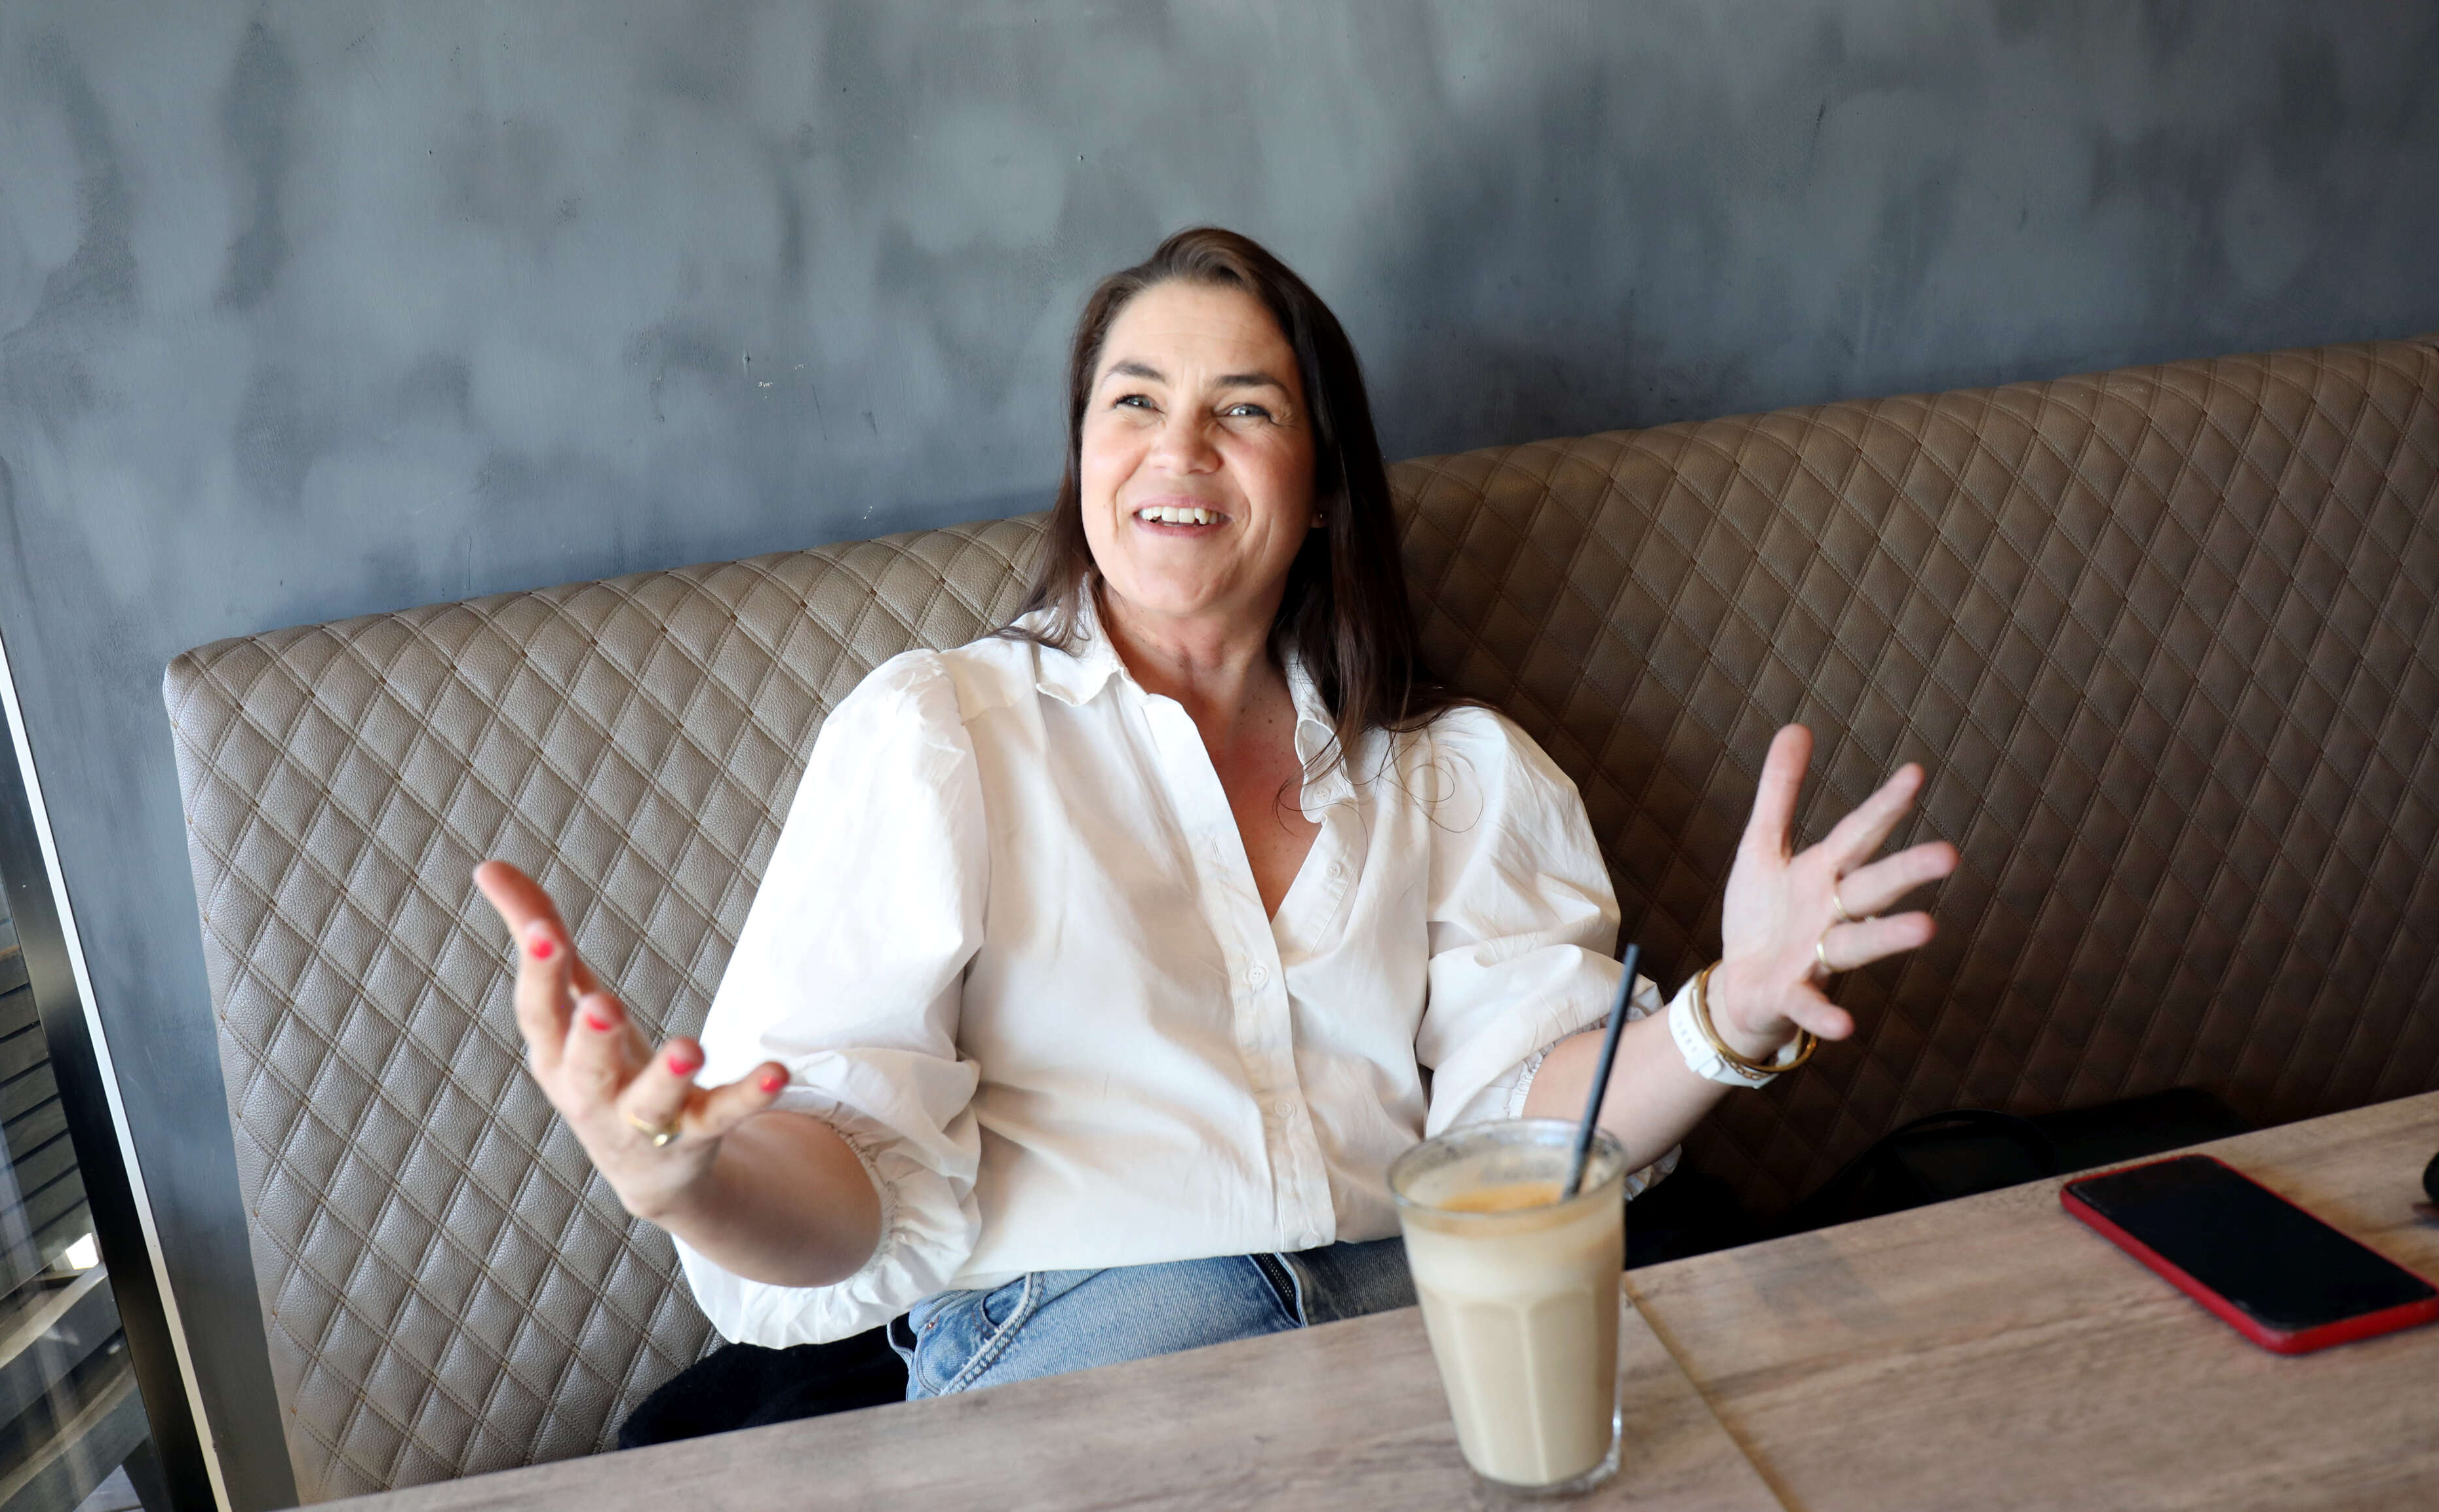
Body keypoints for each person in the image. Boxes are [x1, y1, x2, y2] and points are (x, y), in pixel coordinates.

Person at [473, 227, 1956, 1401]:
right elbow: (847, 1181)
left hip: (1421, 1311)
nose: (1178, 450)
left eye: (1243, 409)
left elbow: (1521, 1135)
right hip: (1097, 1337)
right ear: (1084, 456)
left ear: (1321, 491)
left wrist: (1725, 1014)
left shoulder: (1458, 772)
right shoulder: (938, 736)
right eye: (1135, 402)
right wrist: (692, 1180)